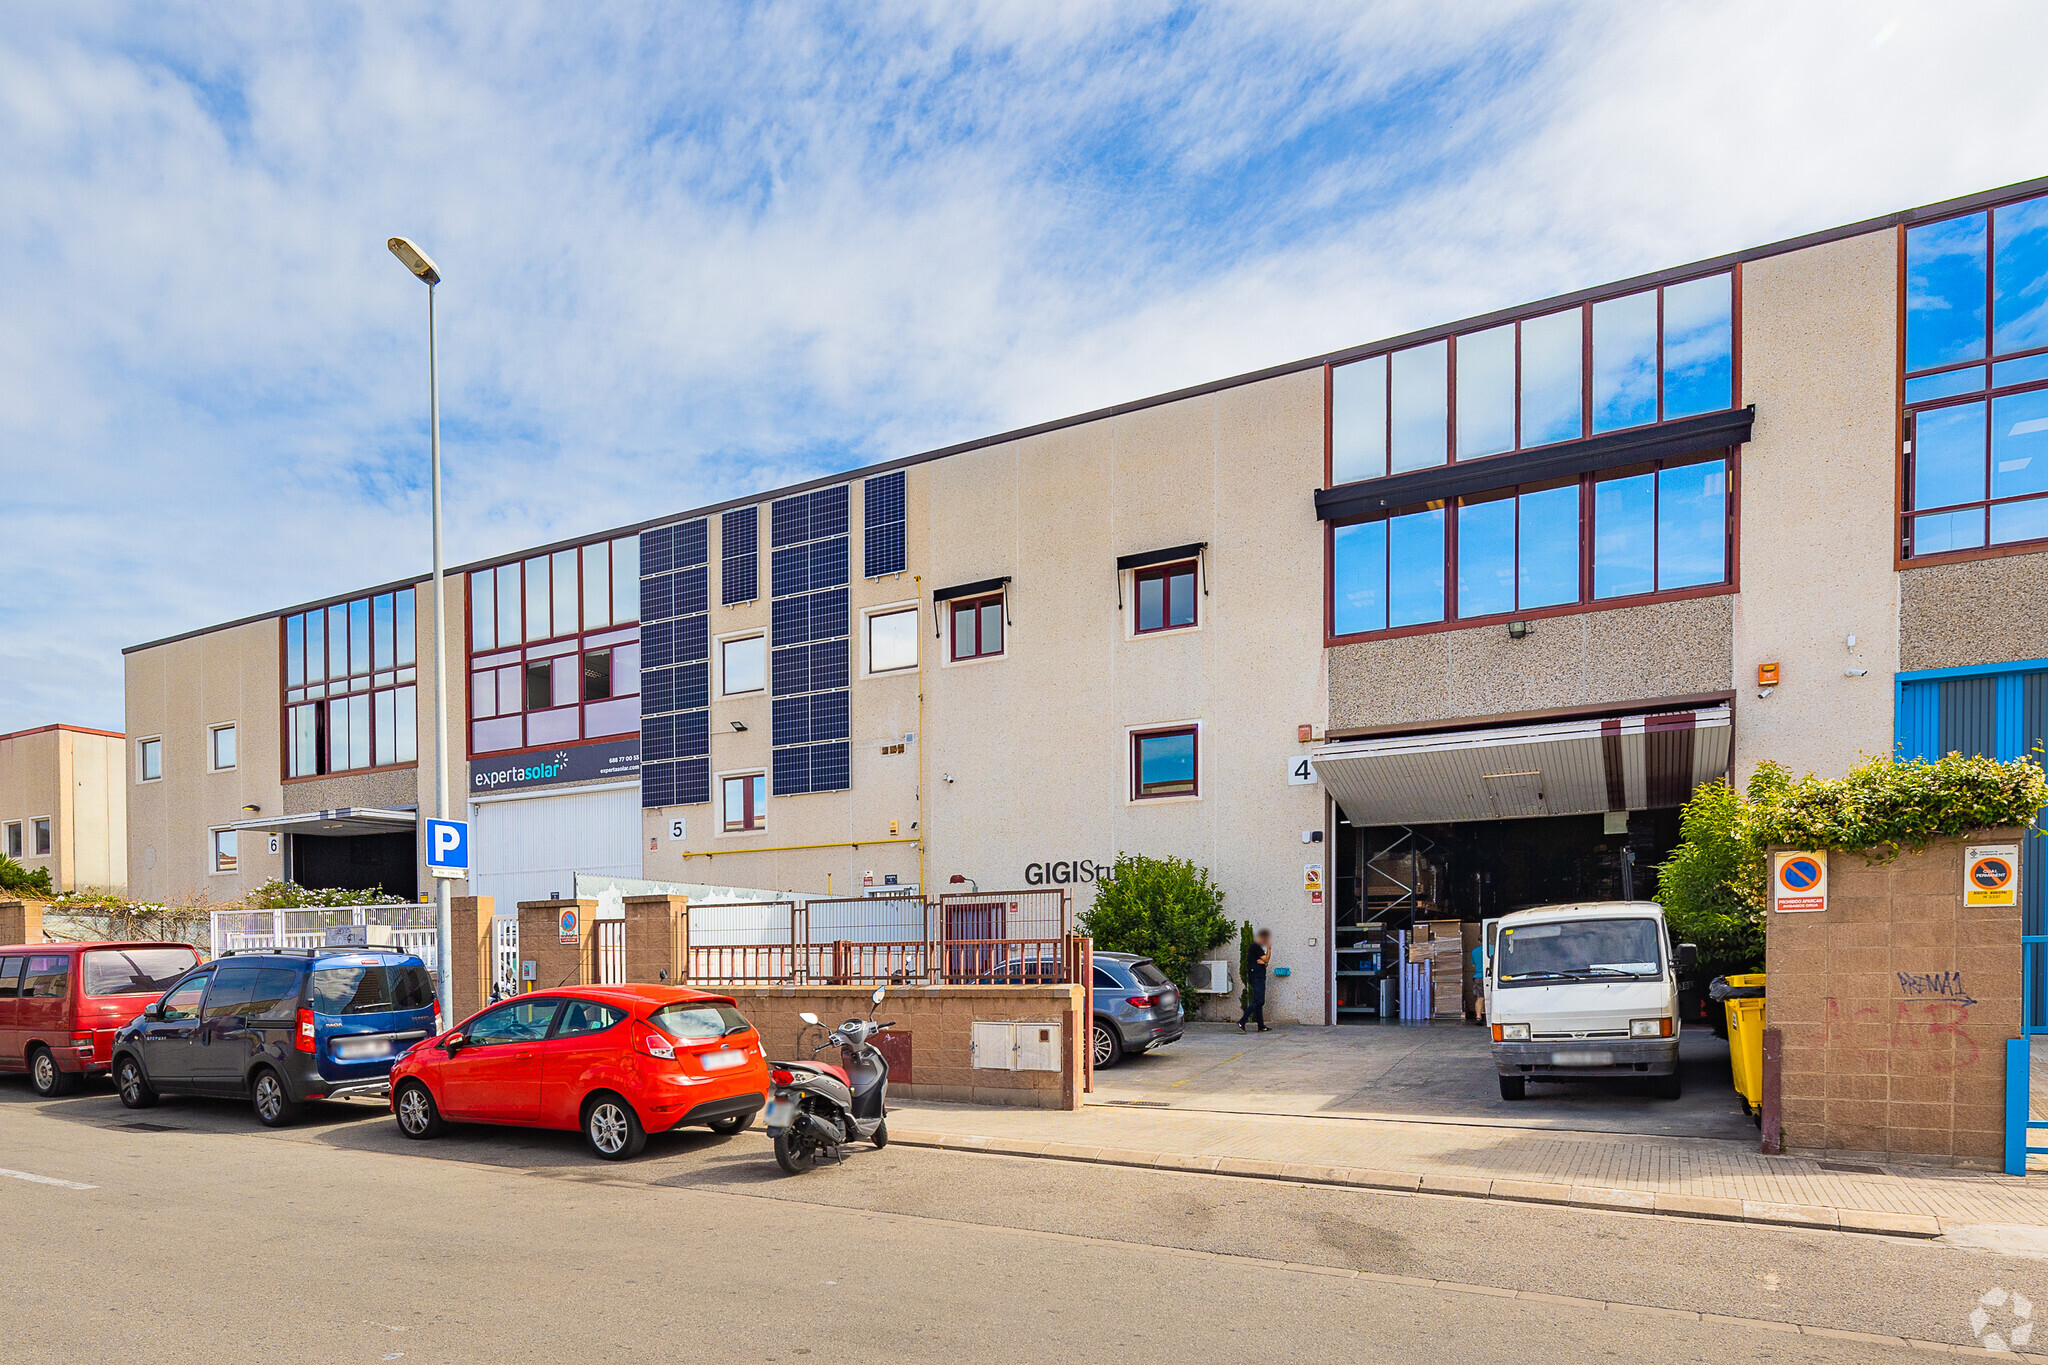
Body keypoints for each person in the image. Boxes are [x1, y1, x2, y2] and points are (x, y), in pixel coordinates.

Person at [1239, 928, 1273, 1032]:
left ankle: (1261, 1025)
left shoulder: (1257, 948)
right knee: (1258, 1001)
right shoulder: (1255, 946)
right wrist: (1269, 948)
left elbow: (1265, 962)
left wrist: (1265, 962)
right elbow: (1266, 959)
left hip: (1259, 976)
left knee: (1260, 1002)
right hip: (1257, 977)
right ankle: (1242, 1021)